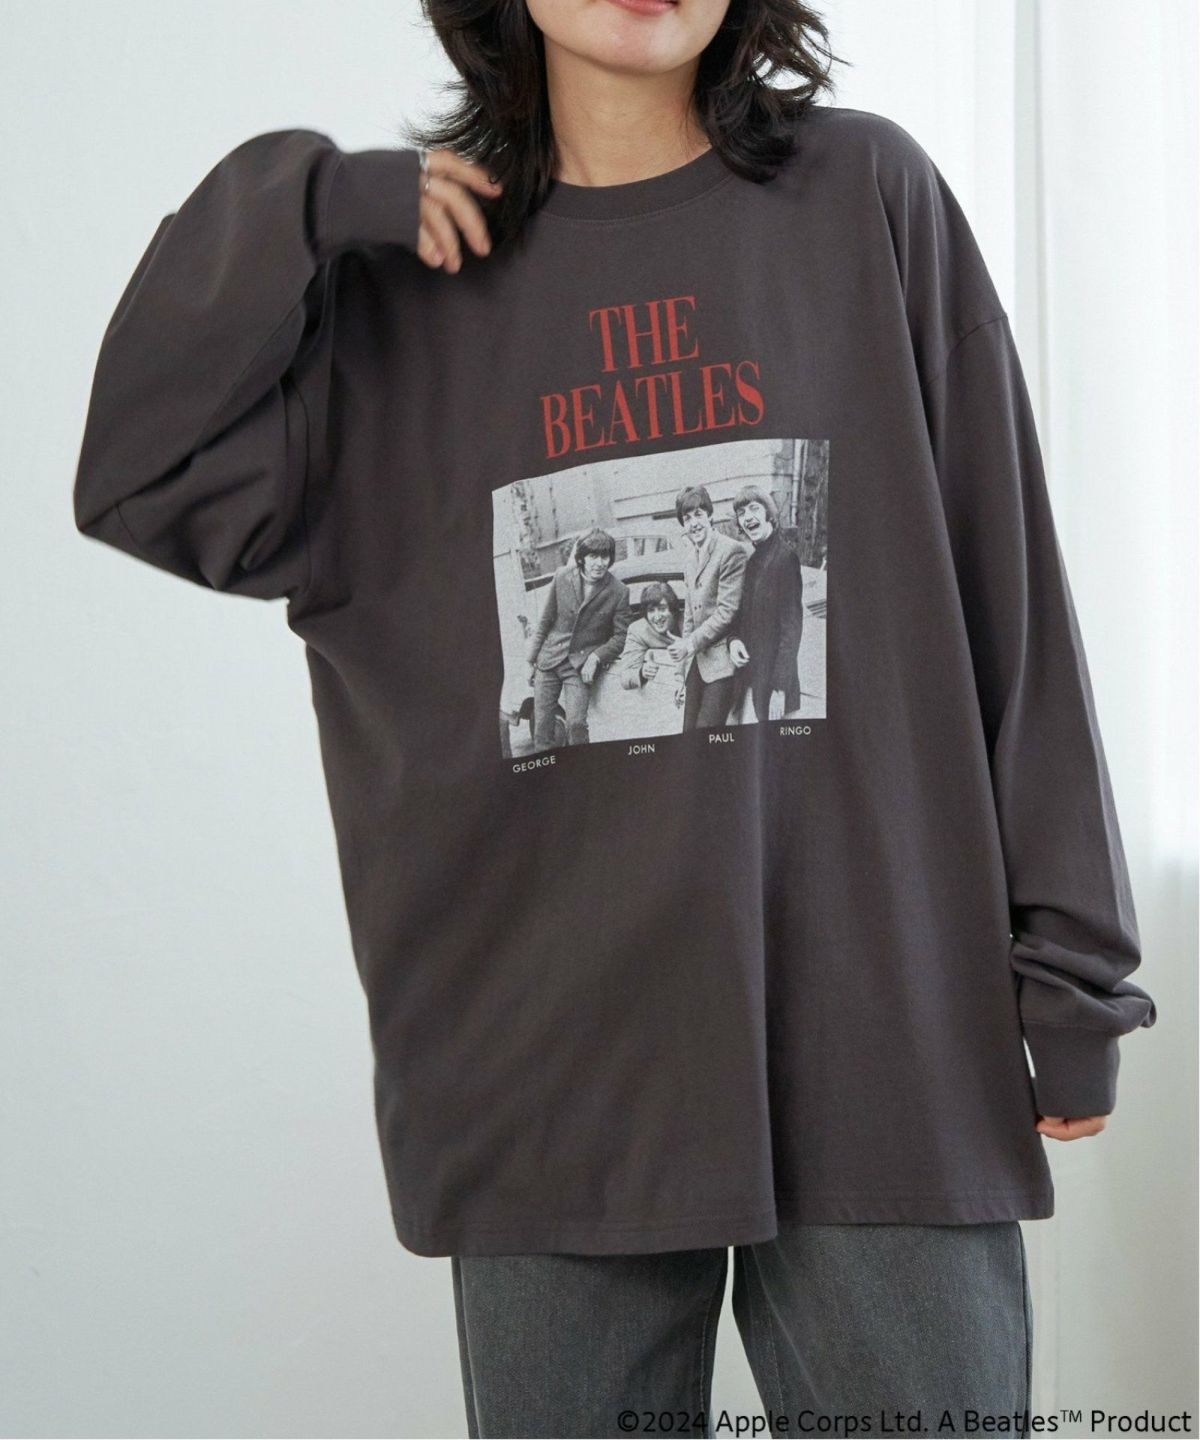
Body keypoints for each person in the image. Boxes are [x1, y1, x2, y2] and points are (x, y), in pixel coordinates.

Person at [71, 0, 1158, 1435]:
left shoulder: (867, 198)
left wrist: (1073, 973)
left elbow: (1006, 588)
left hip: (883, 1038)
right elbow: (137, 475)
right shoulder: (394, 288)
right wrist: (308, 203)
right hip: (545, 1076)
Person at [526, 527, 632, 750]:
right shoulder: (562, 577)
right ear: (582, 558)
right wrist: (530, 661)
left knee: (576, 725)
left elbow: (621, 636)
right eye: (593, 556)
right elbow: (545, 621)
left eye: (605, 556)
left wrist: (596, 656)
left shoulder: (619, 591)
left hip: (579, 667)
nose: (599, 563)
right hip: (548, 660)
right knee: (542, 729)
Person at [669, 484, 749, 730]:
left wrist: (690, 644)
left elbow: (727, 612)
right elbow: (690, 616)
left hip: (723, 664)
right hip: (699, 662)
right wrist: (680, 674)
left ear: (710, 515)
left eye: (698, 515)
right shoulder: (689, 559)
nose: (694, 524)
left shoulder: (731, 551)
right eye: (687, 518)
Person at [727, 483, 805, 723]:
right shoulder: (752, 561)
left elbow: (791, 630)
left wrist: (780, 689)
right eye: (742, 513)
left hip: (775, 690)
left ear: (769, 514)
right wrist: (734, 641)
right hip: (751, 683)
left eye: (754, 509)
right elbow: (742, 617)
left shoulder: (785, 558)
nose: (748, 517)